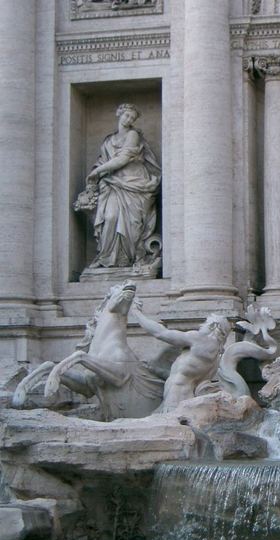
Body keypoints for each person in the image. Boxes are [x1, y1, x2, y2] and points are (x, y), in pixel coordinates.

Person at [80, 103, 161, 268]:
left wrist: (97, 172)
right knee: (109, 218)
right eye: (127, 115)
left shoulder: (133, 135)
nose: (129, 119)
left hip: (134, 182)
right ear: (119, 114)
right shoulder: (109, 140)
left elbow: (123, 159)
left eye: (132, 118)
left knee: (133, 223)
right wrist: (98, 171)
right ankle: (106, 257)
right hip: (113, 184)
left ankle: (131, 258)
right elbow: (103, 160)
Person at [132, 307, 230, 412]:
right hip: (185, 397)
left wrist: (136, 313)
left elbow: (160, 333)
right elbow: (185, 375)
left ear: (213, 326)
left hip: (175, 398)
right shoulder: (215, 357)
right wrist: (156, 370)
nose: (201, 326)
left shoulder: (199, 339)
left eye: (205, 323)